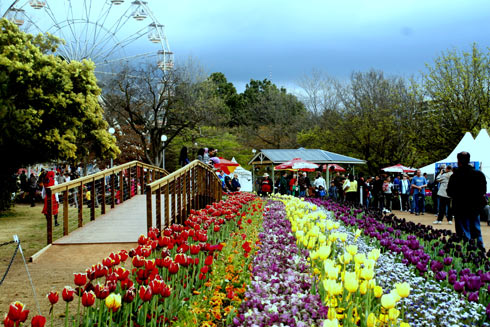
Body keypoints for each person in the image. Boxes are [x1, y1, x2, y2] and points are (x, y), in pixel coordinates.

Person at [447, 152, 487, 248]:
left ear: (458, 161)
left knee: (463, 232)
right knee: (476, 230)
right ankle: (480, 250)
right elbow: (483, 191)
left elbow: (449, 192)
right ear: (469, 160)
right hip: (475, 207)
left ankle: (468, 251)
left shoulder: (455, 176)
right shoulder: (479, 174)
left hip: (460, 207)